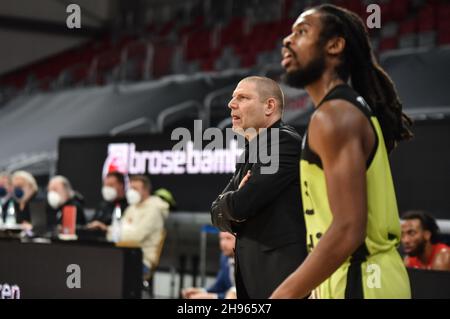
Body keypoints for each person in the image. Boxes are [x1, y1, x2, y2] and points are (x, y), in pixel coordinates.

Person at [270, 4, 413, 299]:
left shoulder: (335, 116)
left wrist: (284, 294)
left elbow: (349, 229)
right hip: (353, 278)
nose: (287, 39)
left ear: (335, 45)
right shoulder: (340, 110)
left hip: (364, 280)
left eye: (302, 32)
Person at [210, 76, 308, 299]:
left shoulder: (284, 142)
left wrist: (232, 203)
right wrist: (232, 204)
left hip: (279, 277)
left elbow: (240, 205)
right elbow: (216, 214)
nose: (231, 103)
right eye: (233, 97)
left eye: (242, 97)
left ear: (269, 106)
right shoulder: (252, 150)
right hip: (255, 278)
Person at [113, 175, 169, 275]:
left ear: (145, 191)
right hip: (123, 254)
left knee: (108, 267)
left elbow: (136, 237)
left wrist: (121, 232)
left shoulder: (154, 210)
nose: (130, 192)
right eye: (130, 188)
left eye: (135, 188)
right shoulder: (131, 208)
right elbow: (116, 232)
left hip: (142, 260)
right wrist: (113, 231)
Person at [182, 231, 236, 299]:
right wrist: (201, 291)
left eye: (228, 238)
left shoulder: (248, 261)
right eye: (221, 238)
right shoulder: (224, 258)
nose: (223, 243)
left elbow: (238, 292)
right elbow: (219, 285)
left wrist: (212, 297)